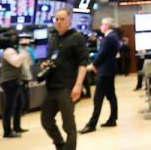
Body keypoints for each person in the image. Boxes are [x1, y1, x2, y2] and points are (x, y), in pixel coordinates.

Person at [41, 8, 88, 150]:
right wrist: (46, 63)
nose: (59, 22)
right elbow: (51, 57)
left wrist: (78, 85)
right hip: (52, 87)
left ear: (69, 20)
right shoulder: (53, 37)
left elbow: (83, 62)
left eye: (62, 19)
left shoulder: (76, 37)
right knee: (46, 121)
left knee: (68, 124)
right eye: (57, 19)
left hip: (67, 87)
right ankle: (60, 145)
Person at [80, 17, 120, 134]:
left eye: (102, 25)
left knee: (98, 98)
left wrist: (93, 64)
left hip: (104, 72)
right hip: (109, 70)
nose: (100, 27)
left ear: (107, 26)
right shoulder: (114, 37)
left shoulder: (108, 38)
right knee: (111, 96)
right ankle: (112, 119)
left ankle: (92, 124)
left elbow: (101, 55)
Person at [0, 31, 29, 138]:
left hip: (15, 81)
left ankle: (17, 127)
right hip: (9, 82)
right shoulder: (8, 51)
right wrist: (24, 50)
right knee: (9, 106)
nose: (16, 39)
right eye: (13, 37)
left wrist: (23, 51)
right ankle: (7, 131)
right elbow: (16, 62)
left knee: (20, 103)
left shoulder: (13, 50)